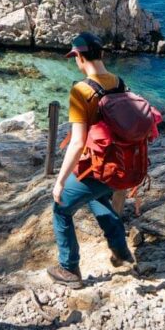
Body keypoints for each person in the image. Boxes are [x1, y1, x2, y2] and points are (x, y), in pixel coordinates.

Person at [46, 32, 135, 288]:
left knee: (61, 208)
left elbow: (77, 142)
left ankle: (69, 268)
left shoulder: (81, 90)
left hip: (97, 166)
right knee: (97, 196)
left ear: (79, 57)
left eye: (75, 57)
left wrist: (60, 182)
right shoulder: (119, 82)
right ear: (102, 54)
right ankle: (120, 248)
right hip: (119, 165)